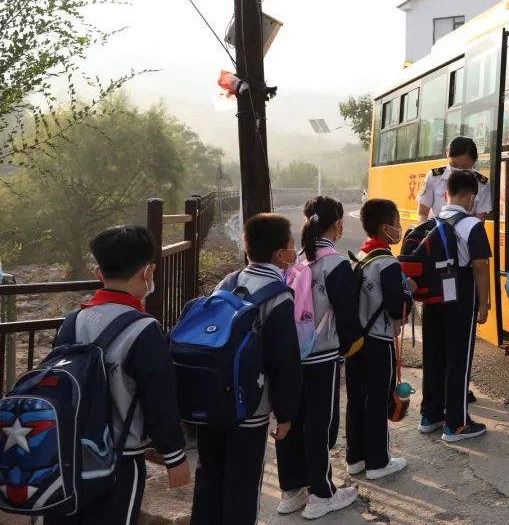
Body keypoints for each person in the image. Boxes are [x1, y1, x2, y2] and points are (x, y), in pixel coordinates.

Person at [46, 226, 190, 525]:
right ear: (147, 272)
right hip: (120, 459)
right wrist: (174, 455)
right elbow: (159, 398)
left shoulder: (72, 321)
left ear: (99, 273)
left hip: (67, 453)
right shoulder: (144, 329)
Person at [190, 214, 303, 525]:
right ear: (281, 254)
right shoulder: (278, 296)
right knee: (242, 482)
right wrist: (286, 413)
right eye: (292, 243)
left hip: (213, 399)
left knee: (209, 474)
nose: (295, 249)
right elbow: (285, 361)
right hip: (250, 408)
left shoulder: (228, 282)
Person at [275, 197, 362, 519]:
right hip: (320, 354)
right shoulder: (335, 264)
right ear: (338, 224)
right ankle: (322, 493)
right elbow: (349, 318)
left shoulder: (296, 261)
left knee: (289, 421)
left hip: (290, 355)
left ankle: (291, 491)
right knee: (318, 424)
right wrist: (349, 348)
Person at [418, 171, 491, 441]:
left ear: (446, 193)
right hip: (460, 297)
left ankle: (430, 415)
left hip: (433, 299)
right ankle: (457, 423)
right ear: (471, 196)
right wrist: (484, 304)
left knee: (434, 355)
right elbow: (480, 266)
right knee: (458, 359)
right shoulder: (471, 224)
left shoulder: (431, 221)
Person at [345, 198, 414, 480]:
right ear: (386, 228)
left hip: (356, 342)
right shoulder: (386, 261)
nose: (400, 229)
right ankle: (378, 462)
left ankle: (356, 458)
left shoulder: (361, 255)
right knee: (377, 399)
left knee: (356, 398)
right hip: (378, 341)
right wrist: (408, 292)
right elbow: (397, 307)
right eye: (397, 224)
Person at [417, 136, 492, 221]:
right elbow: (422, 213)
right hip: (436, 231)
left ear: (473, 162)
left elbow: (479, 219)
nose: (458, 170)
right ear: (447, 156)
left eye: (465, 166)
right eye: (454, 165)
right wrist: (429, 233)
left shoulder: (481, 184)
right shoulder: (433, 177)